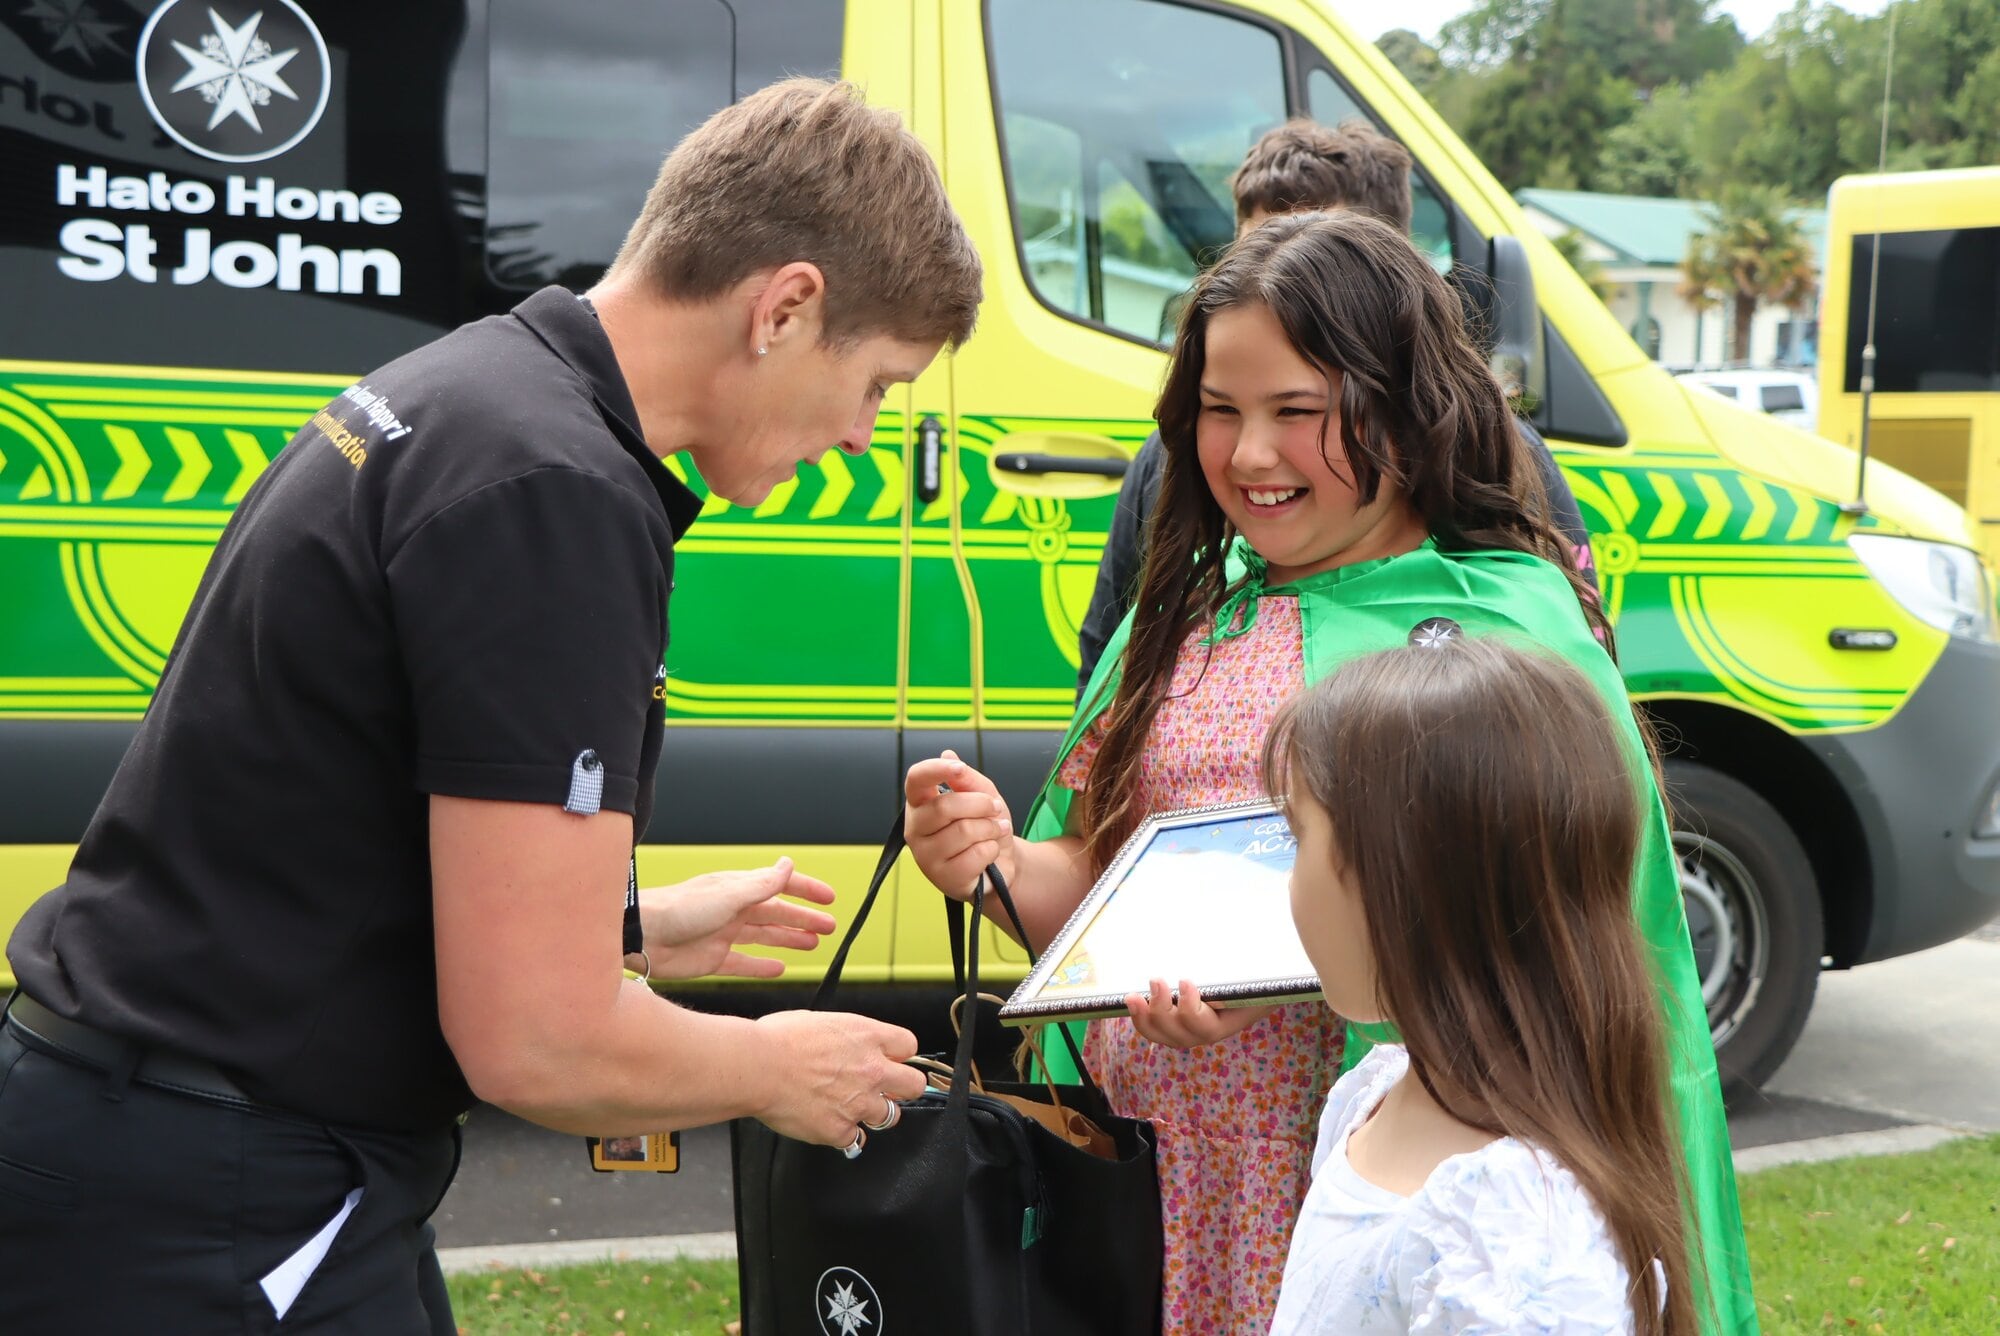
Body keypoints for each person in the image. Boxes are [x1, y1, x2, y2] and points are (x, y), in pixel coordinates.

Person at [0, 79, 977, 1333]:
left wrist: (625, 927)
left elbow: (325, 825)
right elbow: (539, 1047)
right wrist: (774, 1065)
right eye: (880, 385)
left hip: (164, 1141)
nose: (861, 435)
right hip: (217, 1189)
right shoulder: (552, 493)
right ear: (784, 308)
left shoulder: (468, 391)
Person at [903, 212, 1753, 1334]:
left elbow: (1565, 958)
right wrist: (995, 863)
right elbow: (1093, 877)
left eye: (1295, 413)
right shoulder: (1181, 620)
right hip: (1153, 1186)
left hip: (1369, 1190)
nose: (1248, 454)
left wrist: (1275, 991)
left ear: (1399, 406)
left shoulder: (1500, 639)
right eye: (1218, 410)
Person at [1265, 637, 1698, 1335]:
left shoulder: (1519, 1241)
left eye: (1296, 836)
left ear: (1403, 880)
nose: (1287, 880)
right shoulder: (1374, 1096)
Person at [1077, 118, 1594, 692]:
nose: (1249, 455)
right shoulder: (1178, 454)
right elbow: (1110, 663)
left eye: (1318, 271)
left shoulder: (1502, 484)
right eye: (1248, 260)